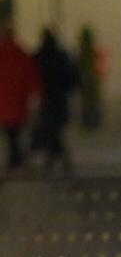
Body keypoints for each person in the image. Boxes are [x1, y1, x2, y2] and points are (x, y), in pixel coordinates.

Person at [32, 27, 80, 174]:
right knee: (56, 131)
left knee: (53, 130)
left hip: (47, 99)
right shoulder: (61, 55)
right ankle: (59, 161)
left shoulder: (39, 56)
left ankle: (54, 161)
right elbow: (72, 76)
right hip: (59, 99)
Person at [0, 17, 41, 174]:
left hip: (4, 101)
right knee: (16, 131)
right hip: (18, 101)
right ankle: (15, 159)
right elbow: (32, 77)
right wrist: (35, 95)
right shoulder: (21, 53)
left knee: (9, 133)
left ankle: (14, 159)